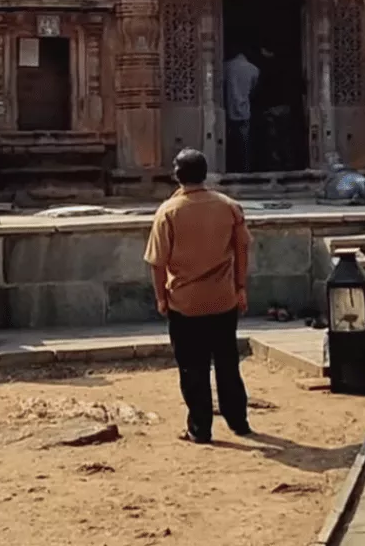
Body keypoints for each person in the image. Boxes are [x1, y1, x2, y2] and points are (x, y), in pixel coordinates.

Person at [144, 148, 252, 445]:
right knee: (228, 362)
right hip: (223, 298)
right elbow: (242, 249)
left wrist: (161, 298)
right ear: (205, 174)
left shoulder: (169, 212)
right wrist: (241, 287)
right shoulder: (229, 206)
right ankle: (238, 420)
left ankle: (200, 427)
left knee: (193, 367)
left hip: (185, 302)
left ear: (177, 176)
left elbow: (157, 262)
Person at [223, 50, 259, 172]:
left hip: (228, 111)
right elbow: (253, 91)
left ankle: (230, 167)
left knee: (229, 142)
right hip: (245, 112)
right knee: (244, 144)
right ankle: (245, 169)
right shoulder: (253, 69)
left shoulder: (225, 67)